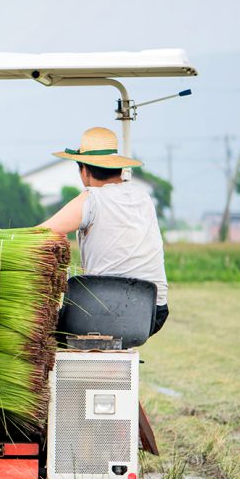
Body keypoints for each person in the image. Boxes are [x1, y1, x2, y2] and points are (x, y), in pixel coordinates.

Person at [41, 126, 169, 335]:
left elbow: (42, 232)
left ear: (84, 170)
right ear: (118, 168)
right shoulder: (143, 197)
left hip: (101, 311)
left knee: (45, 326)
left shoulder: (92, 199)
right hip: (152, 312)